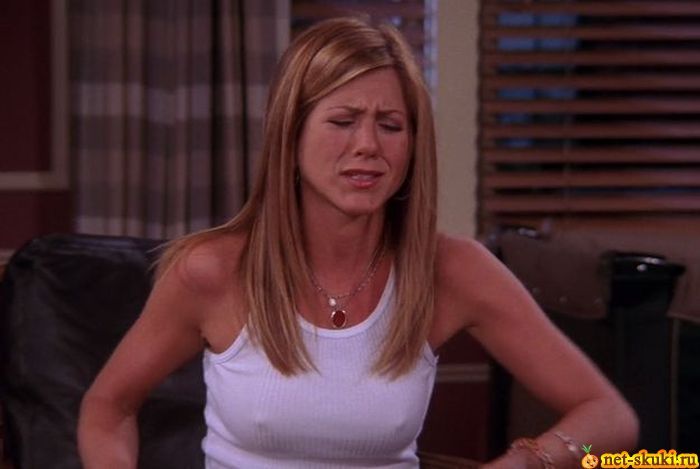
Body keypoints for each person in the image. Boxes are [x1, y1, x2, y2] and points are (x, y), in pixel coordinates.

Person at [77, 17, 638, 468]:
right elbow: (107, 409)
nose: (368, 145)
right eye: (343, 121)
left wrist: (528, 459)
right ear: (290, 134)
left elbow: (610, 418)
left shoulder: (452, 269)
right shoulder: (212, 271)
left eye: (390, 125)